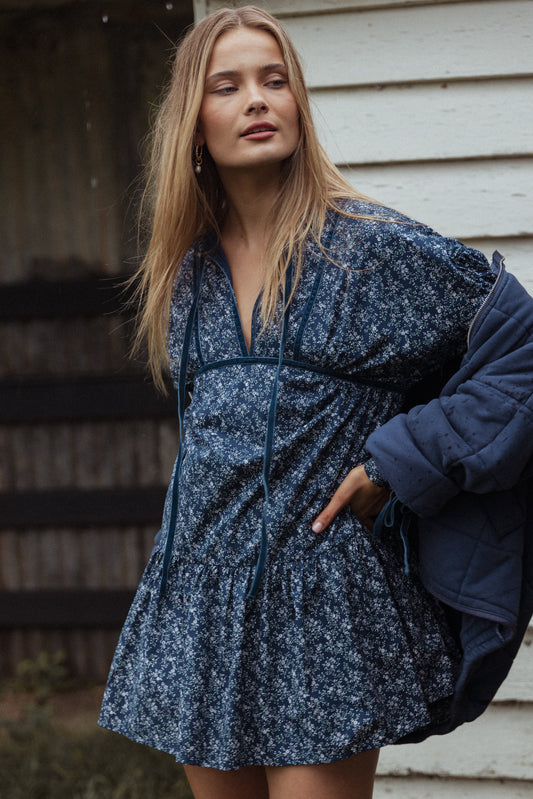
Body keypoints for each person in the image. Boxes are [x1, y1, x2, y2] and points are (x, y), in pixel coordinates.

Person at [98, 6, 533, 799]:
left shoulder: (369, 250)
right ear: (194, 125)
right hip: (204, 600)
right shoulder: (185, 271)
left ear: (298, 103)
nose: (257, 100)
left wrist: (395, 463)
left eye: (274, 80)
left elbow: (522, 353)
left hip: (320, 602)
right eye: (227, 86)